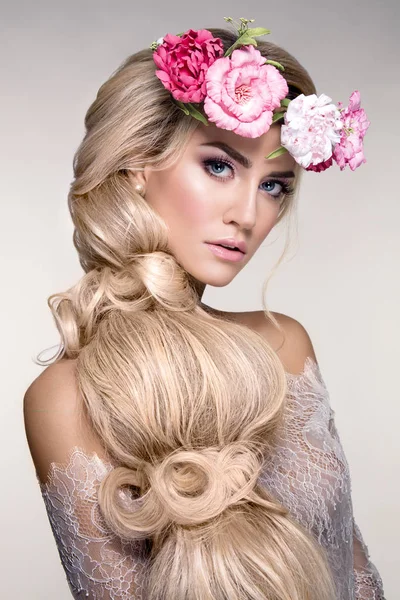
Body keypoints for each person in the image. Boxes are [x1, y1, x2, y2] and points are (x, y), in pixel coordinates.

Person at [23, 18, 385, 600]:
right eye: (220, 166)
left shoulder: (286, 345)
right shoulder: (65, 399)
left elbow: (354, 568)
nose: (249, 214)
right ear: (140, 163)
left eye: (276, 186)